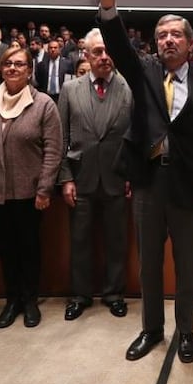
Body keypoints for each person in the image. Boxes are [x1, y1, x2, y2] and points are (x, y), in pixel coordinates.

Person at [94, 0, 193, 364]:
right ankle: (151, 329)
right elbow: (116, 41)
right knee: (149, 264)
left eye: (176, 35)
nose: (168, 40)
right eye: (161, 35)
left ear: (190, 43)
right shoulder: (144, 72)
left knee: (187, 267)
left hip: (188, 186)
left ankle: (186, 332)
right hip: (150, 182)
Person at [0, 46, 63, 329]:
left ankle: (29, 300)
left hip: (29, 192)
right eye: (7, 64)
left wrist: (45, 189)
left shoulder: (44, 104)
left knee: (29, 247)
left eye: (19, 64)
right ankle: (11, 299)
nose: (13, 68)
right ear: (0, 68)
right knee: (5, 247)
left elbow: (53, 149)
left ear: (29, 70)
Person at [57, 28, 132, 321]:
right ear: (85, 55)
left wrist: (131, 176)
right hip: (81, 177)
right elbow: (61, 137)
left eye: (108, 51)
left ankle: (114, 293)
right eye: (97, 51)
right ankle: (80, 295)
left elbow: (135, 137)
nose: (104, 56)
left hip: (117, 177)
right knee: (80, 241)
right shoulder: (70, 89)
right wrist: (65, 178)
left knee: (116, 241)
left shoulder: (129, 87)